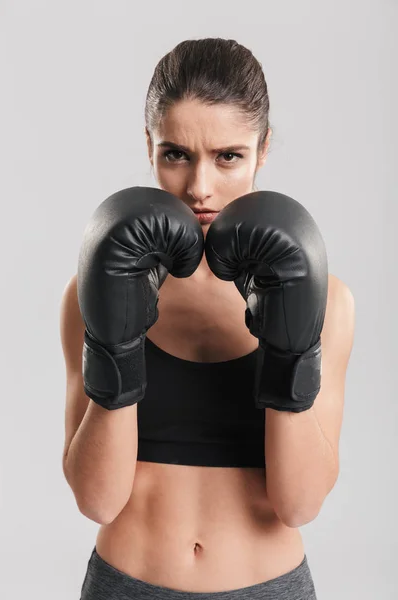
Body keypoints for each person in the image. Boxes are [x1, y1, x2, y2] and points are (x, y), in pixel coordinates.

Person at [60, 38, 355, 599]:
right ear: (148, 145)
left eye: (228, 156)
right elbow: (97, 500)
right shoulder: (93, 289)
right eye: (176, 154)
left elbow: (300, 503)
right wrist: (116, 338)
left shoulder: (327, 300)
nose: (200, 186)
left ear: (262, 149)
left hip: (266, 585)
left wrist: (289, 346)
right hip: (127, 583)